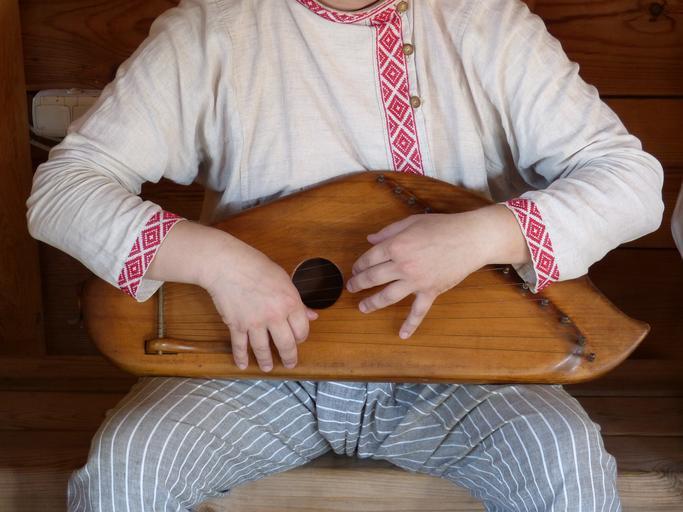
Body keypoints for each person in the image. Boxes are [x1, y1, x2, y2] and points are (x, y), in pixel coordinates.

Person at [26, 0, 664, 510]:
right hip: (256, 363)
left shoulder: (486, 22)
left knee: (563, 455)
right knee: (130, 469)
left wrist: (477, 237)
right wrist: (219, 264)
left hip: (463, 369)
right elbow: (63, 190)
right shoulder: (216, 27)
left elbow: (631, 182)